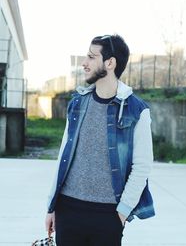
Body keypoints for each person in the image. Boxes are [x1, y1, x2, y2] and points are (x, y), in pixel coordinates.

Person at [45, 34, 155, 246]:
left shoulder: (137, 110)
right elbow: (63, 158)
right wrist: (52, 206)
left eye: (91, 57)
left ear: (110, 63)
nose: (84, 63)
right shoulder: (77, 103)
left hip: (108, 215)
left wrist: (122, 213)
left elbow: (142, 166)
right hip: (68, 209)